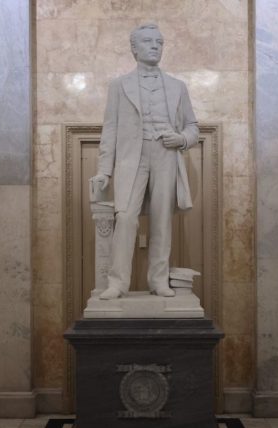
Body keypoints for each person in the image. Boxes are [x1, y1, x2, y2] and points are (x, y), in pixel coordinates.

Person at [90, 24, 199, 300]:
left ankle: (159, 280)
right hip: (131, 159)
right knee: (125, 218)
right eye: (148, 42)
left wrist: (181, 139)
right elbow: (110, 130)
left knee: (162, 220)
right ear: (134, 48)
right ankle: (117, 282)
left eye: (159, 42)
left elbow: (193, 128)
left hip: (165, 155)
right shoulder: (119, 86)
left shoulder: (178, 87)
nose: (155, 46)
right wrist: (104, 170)